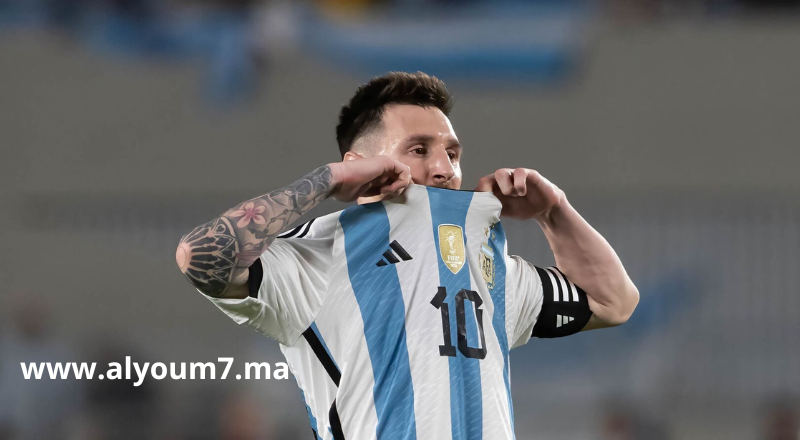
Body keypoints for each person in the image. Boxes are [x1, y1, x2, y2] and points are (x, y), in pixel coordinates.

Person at [175, 71, 639, 439]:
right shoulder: (315, 252)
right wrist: (329, 180)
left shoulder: (487, 260)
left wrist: (554, 211)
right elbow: (199, 255)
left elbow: (613, 302)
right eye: (419, 150)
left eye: (452, 154)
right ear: (360, 164)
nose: (444, 169)